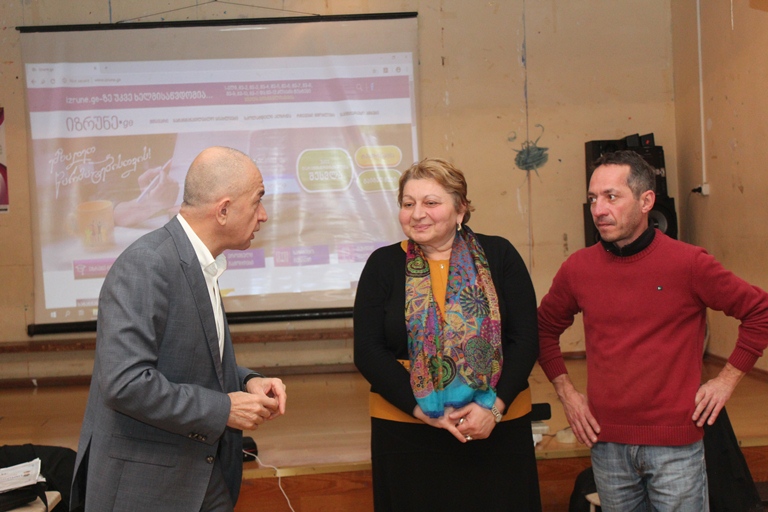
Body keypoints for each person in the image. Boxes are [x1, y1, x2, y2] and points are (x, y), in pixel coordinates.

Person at [537, 149, 768, 511]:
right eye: (593, 198)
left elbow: (759, 311)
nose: (599, 209)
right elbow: (542, 329)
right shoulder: (578, 268)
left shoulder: (689, 263)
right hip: (606, 443)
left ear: (646, 201)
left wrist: (726, 381)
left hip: (676, 446)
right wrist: (566, 392)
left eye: (611, 196)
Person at [70, 146, 287, 512]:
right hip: (146, 485)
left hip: (199, 473)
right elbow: (125, 383)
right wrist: (224, 409)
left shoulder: (199, 262)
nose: (263, 215)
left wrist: (247, 380)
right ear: (223, 210)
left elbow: (188, 359)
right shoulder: (147, 263)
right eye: (257, 201)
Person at [354, 157, 542, 511]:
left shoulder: (499, 255)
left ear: (460, 209)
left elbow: (525, 340)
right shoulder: (382, 264)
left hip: (496, 428)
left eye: (431, 202)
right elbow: (367, 350)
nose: (417, 214)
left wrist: (493, 409)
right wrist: (423, 410)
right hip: (407, 430)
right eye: (408, 204)